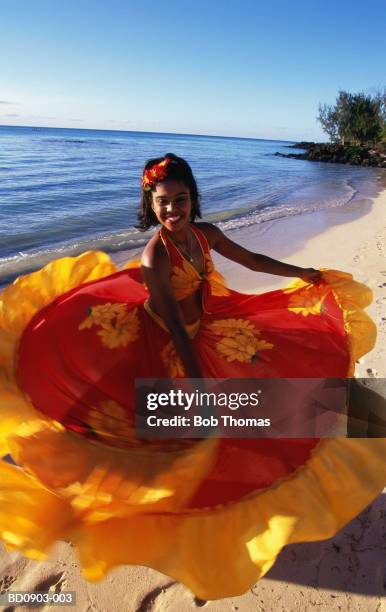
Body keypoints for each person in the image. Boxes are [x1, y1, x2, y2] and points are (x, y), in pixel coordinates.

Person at [0, 153, 385, 600]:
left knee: (275, 372)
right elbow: (175, 329)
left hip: (207, 327)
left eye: (180, 199)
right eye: (163, 202)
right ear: (151, 204)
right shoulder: (153, 257)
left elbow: (255, 259)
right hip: (163, 342)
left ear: (193, 199)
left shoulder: (205, 235)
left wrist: (302, 272)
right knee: (147, 435)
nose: (173, 209)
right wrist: (198, 381)